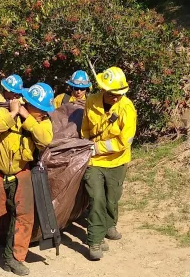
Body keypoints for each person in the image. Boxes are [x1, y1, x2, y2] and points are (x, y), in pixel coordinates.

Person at [0, 83, 55, 276]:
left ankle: (15, 258)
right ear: (29, 103)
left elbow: (44, 140)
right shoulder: (3, 111)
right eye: (41, 109)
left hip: (21, 171)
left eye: (45, 110)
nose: (44, 113)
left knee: (25, 217)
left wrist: (27, 118)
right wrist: (13, 114)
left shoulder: (42, 121)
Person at [80, 67, 137, 260]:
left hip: (118, 161)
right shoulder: (91, 101)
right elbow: (86, 129)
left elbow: (125, 140)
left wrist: (98, 147)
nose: (116, 97)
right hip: (94, 161)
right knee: (96, 198)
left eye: (120, 94)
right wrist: (88, 145)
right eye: (113, 94)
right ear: (103, 89)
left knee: (112, 199)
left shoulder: (127, 107)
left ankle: (109, 224)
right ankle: (95, 240)